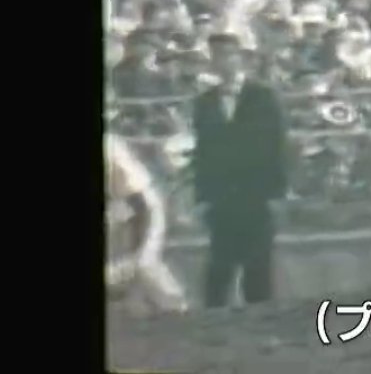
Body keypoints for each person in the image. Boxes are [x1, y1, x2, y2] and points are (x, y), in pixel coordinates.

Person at [191, 32, 289, 308]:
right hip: (221, 195)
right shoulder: (205, 101)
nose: (220, 61)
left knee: (258, 265)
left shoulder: (264, 96)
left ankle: (262, 320)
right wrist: (202, 196)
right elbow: (202, 152)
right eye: (215, 56)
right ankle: (213, 323)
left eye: (226, 54)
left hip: (257, 192)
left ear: (240, 58)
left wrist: (277, 192)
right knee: (219, 264)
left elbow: (278, 146)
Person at [105, 132, 189, 315]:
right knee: (132, 267)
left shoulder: (108, 145)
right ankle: (141, 311)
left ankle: (176, 309)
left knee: (143, 263)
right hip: (125, 206)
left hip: (140, 204)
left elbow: (137, 200)